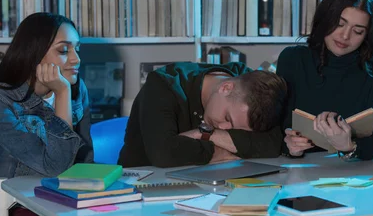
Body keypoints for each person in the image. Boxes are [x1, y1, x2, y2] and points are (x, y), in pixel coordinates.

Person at [0, 13, 93, 216]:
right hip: (13, 207)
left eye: (77, 49)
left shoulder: (78, 89)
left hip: (64, 200)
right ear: (34, 53)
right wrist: (62, 94)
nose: (76, 58)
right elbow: (56, 168)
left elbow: (85, 158)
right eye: (64, 50)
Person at [278, 0, 373, 161]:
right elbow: (276, 129)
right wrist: (289, 146)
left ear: (367, 34)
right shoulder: (292, 59)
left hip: (354, 175)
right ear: (326, 18)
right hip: (298, 172)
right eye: (340, 24)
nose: (344, 36)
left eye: (357, 31)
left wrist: (348, 146)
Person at [117, 62, 287, 168]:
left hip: (205, 185)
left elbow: (275, 142)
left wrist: (203, 135)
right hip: (142, 187)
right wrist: (229, 148)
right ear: (225, 88)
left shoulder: (248, 81)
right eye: (227, 118)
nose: (223, 128)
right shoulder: (163, 84)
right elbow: (163, 155)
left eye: (235, 129)